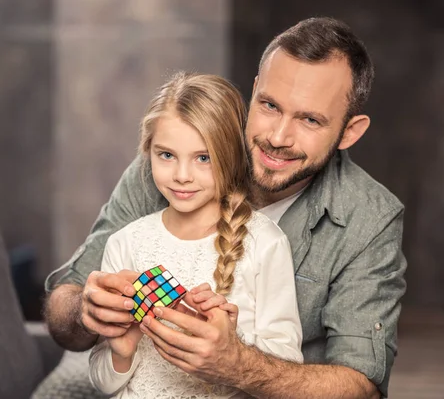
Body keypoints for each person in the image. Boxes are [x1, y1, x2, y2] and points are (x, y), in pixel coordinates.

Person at [44, 17, 407, 399]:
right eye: (269, 105)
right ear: (254, 90)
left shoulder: (370, 218)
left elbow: (361, 384)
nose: (277, 137)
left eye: (310, 120)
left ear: (350, 131)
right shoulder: (171, 161)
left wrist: (235, 363)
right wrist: (88, 313)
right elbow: (64, 309)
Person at [87, 72, 303, 398]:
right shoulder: (126, 243)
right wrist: (121, 350)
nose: (182, 176)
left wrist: (234, 347)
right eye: (166, 155)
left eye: (203, 158)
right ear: (147, 152)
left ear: (229, 157)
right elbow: (103, 384)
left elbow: (286, 367)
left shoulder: (265, 244)